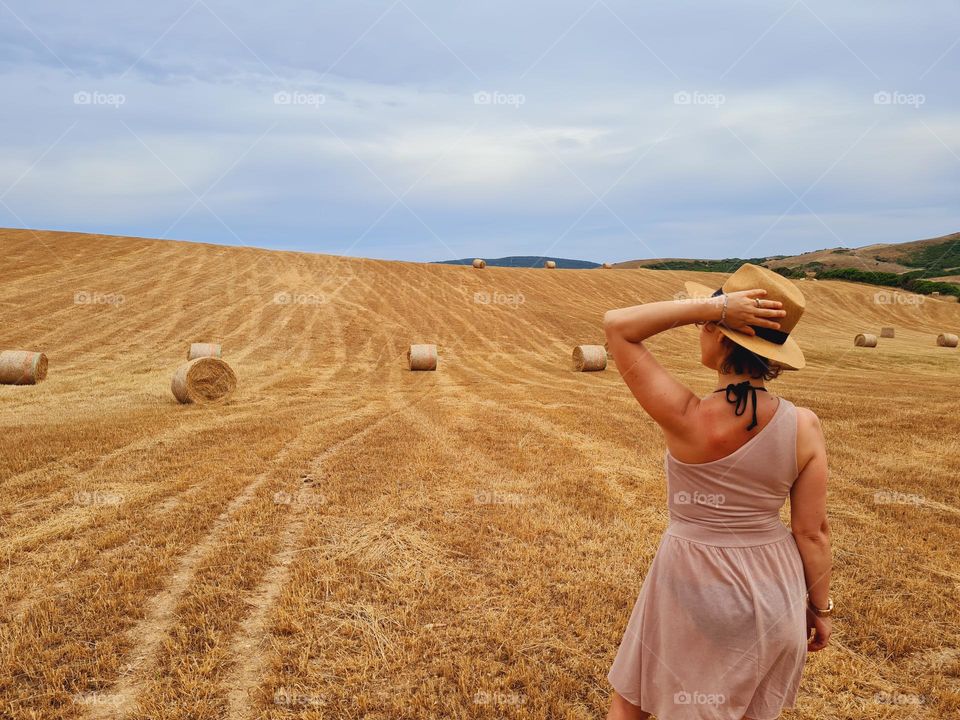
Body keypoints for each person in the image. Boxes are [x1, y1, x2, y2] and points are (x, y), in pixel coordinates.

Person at [602, 264, 832, 720]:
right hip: (774, 592)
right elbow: (813, 533)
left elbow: (617, 328)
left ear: (722, 335)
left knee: (635, 700)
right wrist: (819, 607)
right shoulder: (804, 425)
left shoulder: (685, 415)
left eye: (708, 327)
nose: (702, 331)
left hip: (690, 581)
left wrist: (717, 306)